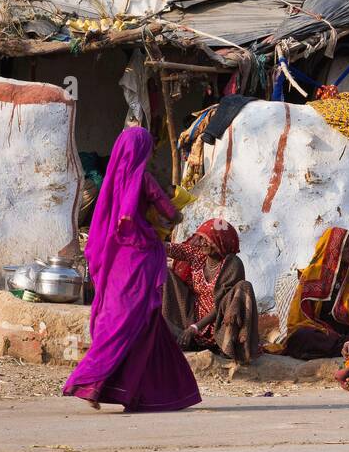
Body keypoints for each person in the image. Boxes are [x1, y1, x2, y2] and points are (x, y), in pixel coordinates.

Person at [63, 126, 201, 412]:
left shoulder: (111, 183)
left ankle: (139, 392)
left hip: (114, 260)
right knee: (127, 323)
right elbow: (171, 214)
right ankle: (88, 379)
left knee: (138, 324)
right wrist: (176, 213)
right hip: (139, 260)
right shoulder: (144, 180)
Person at [266, 226, 349, 359]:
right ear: (335, 250)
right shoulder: (313, 273)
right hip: (322, 332)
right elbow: (300, 317)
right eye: (347, 246)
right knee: (300, 336)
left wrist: (346, 310)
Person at [163, 218, 259, 364]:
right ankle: (174, 333)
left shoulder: (232, 264)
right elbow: (170, 248)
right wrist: (144, 238)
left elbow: (222, 304)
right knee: (162, 272)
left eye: (208, 240)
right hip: (192, 315)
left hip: (218, 321)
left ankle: (227, 344)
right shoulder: (198, 255)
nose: (203, 243)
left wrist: (195, 328)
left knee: (244, 286)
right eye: (201, 239)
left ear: (222, 242)